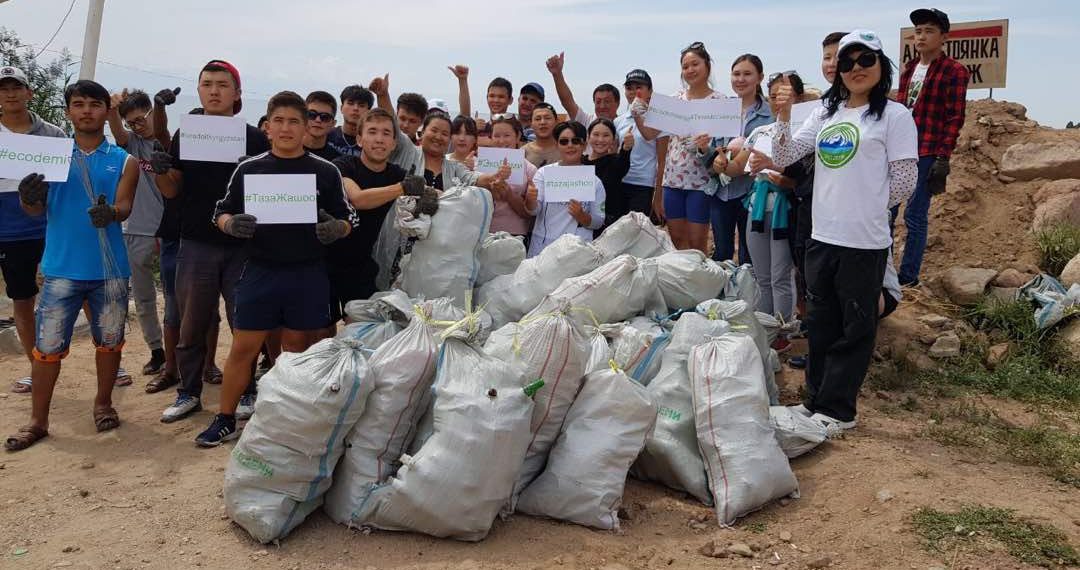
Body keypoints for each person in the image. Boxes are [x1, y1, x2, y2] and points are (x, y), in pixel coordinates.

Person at [767, 30, 918, 432]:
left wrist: (867, 207)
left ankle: (838, 410)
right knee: (821, 323)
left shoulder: (895, 116)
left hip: (863, 241)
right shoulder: (826, 113)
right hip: (822, 236)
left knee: (855, 326)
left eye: (865, 60)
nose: (855, 69)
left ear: (880, 67)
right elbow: (784, 156)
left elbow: (905, 179)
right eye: (847, 62)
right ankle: (814, 400)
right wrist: (782, 117)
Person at [195, 91, 354, 447]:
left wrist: (336, 229)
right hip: (260, 269)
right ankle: (224, 419)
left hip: (307, 271)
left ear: (306, 127)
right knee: (243, 347)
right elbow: (219, 211)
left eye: (294, 121)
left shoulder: (325, 171)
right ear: (267, 127)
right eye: (278, 121)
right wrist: (229, 224)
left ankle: (284, 418)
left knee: (294, 349)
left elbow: (348, 218)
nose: (286, 128)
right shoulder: (249, 168)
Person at [5, 79, 139, 451]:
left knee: (110, 344)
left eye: (95, 104)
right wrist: (28, 198)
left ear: (105, 111)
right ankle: (38, 421)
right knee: (46, 349)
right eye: (78, 104)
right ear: (68, 112)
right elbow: (34, 208)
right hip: (61, 269)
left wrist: (110, 212)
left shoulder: (124, 161)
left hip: (110, 270)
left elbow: (125, 206)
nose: (86, 111)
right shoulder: (49, 156)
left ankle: (103, 404)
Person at [151, 60, 270, 424]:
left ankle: (247, 390)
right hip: (196, 241)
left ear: (237, 94)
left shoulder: (254, 138)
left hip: (242, 246)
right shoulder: (185, 135)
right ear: (199, 90)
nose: (215, 90)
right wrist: (160, 171)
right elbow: (173, 191)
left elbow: (266, 193)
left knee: (244, 322)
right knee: (192, 322)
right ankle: (188, 393)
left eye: (222, 84)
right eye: (207, 84)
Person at [722, 73, 811, 349]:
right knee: (762, 275)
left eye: (784, 95)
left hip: (786, 210)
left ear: (797, 99)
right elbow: (737, 167)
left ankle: (783, 331)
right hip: (757, 209)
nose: (778, 101)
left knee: (780, 274)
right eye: (773, 96)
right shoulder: (759, 133)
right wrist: (716, 160)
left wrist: (784, 178)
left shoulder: (805, 133)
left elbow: (807, 177)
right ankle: (765, 327)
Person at [147, 105, 225, 394]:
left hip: (211, 241)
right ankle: (170, 369)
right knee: (173, 310)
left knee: (211, 313)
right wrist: (159, 107)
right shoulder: (173, 161)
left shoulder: (221, 163)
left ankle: (209, 366)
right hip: (175, 239)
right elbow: (162, 134)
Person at [0, 66, 68, 395]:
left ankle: (110, 355)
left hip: (55, 227)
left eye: (17, 87)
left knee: (79, 290)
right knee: (22, 300)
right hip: (9, 232)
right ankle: (34, 367)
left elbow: (69, 181)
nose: (10, 93)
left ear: (29, 92)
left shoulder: (54, 135)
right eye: (4, 88)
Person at [894, 8, 969, 287]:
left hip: (927, 149)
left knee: (915, 215)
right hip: (900, 150)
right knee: (887, 211)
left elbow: (955, 117)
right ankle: (885, 273)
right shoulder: (909, 70)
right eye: (918, 31)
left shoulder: (955, 71)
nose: (922, 36)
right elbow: (900, 111)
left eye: (929, 31)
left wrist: (943, 157)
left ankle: (908, 277)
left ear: (943, 37)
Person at [105, 89, 174, 381]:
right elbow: (117, 130)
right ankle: (156, 350)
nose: (138, 125)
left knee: (175, 297)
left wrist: (159, 109)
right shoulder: (129, 144)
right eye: (132, 122)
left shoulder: (167, 143)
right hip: (135, 229)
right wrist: (112, 108)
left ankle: (178, 353)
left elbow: (163, 129)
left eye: (142, 118)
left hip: (169, 229)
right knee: (144, 297)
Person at [634, 41, 724, 252]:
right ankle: (683, 283)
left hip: (701, 182)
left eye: (695, 64)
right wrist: (638, 113)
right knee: (676, 241)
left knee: (697, 244)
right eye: (685, 66)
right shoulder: (674, 100)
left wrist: (705, 145)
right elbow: (649, 134)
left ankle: (699, 283)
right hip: (672, 181)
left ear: (707, 65)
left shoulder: (720, 101)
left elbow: (725, 145)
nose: (690, 70)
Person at [325, 109, 413, 322]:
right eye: (372, 132)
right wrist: (404, 188)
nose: (379, 139)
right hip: (327, 260)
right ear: (359, 139)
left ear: (394, 143)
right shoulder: (342, 166)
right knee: (320, 329)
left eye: (386, 134)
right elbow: (358, 199)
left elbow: (430, 196)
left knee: (361, 326)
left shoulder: (398, 175)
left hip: (366, 266)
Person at [707, 54, 772, 264]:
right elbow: (711, 150)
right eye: (736, 74)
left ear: (759, 77)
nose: (740, 79)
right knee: (722, 252)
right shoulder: (723, 110)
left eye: (747, 74)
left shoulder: (770, 114)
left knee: (748, 254)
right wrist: (714, 159)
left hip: (751, 193)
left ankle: (749, 295)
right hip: (721, 192)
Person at [526, 121, 606, 257]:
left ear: (584, 145)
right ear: (557, 145)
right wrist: (530, 199)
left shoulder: (595, 182)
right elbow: (533, 211)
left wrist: (582, 216)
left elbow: (598, 222)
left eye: (575, 141)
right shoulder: (544, 173)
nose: (570, 145)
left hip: (577, 250)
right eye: (564, 142)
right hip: (544, 247)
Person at [615, 69, 664, 220]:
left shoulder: (659, 119)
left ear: (650, 91)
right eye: (629, 88)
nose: (633, 92)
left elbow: (663, 161)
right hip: (621, 182)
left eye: (639, 87)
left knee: (637, 234)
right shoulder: (619, 120)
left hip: (644, 185)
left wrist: (658, 196)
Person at [487, 115, 536, 242]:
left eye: (507, 135)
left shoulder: (529, 169)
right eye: (496, 136)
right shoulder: (478, 165)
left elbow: (529, 213)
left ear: (518, 136)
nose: (501, 141)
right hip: (484, 232)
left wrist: (509, 194)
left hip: (516, 235)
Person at [583, 118, 632, 230]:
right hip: (581, 223)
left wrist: (626, 148)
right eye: (596, 134)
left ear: (613, 139)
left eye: (606, 135)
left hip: (608, 225)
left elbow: (623, 163)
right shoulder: (580, 162)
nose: (600, 140)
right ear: (588, 136)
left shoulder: (615, 162)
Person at [546, 52, 620, 125]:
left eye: (607, 101)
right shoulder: (587, 121)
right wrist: (557, 74)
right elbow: (567, 102)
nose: (602, 106)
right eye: (598, 102)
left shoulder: (623, 125)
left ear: (617, 103)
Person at [326, 85, 374, 158]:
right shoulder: (327, 135)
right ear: (342, 108)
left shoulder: (371, 144)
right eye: (350, 103)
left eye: (361, 105)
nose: (355, 108)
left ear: (369, 112)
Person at [474, 77, 514, 147]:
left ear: (510, 100)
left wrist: (488, 142)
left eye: (501, 97)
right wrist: (472, 131)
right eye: (492, 96)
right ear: (487, 98)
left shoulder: (515, 127)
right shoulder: (478, 127)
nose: (496, 100)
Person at [303, 90, 341, 162]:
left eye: (325, 117)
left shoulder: (338, 161)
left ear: (333, 124)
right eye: (312, 114)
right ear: (303, 117)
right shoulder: (286, 151)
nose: (318, 120)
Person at [523, 102, 561, 167]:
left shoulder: (565, 149)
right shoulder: (523, 152)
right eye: (538, 119)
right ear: (531, 124)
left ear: (556, 122)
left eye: (547, 118)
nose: (543, 122)